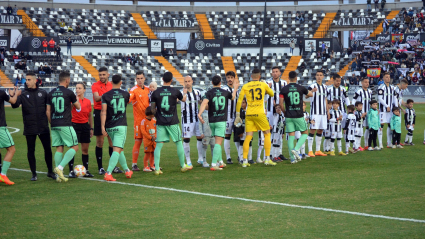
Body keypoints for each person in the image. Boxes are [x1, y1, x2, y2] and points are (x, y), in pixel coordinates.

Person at [11, 72, 55, 181]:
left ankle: (50, 171)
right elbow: (14, 105)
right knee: (31, 150)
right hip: (30, 127)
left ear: (35, 80)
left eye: (29, 79)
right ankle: (34, 174)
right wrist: (14, 95)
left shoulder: (43, 93)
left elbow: (49, 109)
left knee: (48, 150)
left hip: (43, 127)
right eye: (26, 79)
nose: (27, 81)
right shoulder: (23, 94)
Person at [150, 72, 190, 175]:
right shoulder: (175, 91)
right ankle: (183, 165)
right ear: (171, 80)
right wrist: (185, 92)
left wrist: (157, 116)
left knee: (158, 145)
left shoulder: (156, 92)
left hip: (161, 122)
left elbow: (152, 109)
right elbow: (184, 100)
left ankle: (157, 169)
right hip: (172, 121)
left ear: (162, 79)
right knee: (178, 143)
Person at [235, 68, 275, 167]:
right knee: (267, 134)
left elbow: (239, 100)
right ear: (259, 76)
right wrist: (265, 85)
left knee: (248, 137)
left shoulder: (246, 86)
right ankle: (267, 159)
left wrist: (237, 115)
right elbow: (272, 94)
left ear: (251, 76)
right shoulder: (263, 84)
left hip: (249, 114)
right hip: (260, 113)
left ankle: (244, 160)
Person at [46, 72, 81, 183]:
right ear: (67, 80)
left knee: (59, 148)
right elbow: (78, 107)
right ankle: (60, 168)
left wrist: (52, 122)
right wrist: (77, 100)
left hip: (54, 124)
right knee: (75, 147)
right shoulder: (69, 92)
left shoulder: (50, 93)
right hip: (65, 123)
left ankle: (58, 176)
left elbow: (47, 111)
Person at [198, 75, 238, 170]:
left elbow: (204, 103)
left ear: (212, 83)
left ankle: (220, 162)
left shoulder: (209, 92)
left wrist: (199, 114)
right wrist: (235, 88)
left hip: (212, 120)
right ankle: (213, 164)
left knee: (217, 142)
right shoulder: (225, 92)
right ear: (220, 83)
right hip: (221, 120)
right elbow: (232, 97)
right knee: (218, 143)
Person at [101, 75, 133, 181]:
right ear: (121, 82)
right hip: (120, 125)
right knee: (117, 149)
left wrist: (102, 126)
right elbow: (129, 101)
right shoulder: (125, 94)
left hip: (109, 126)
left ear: (110, 82)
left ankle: (127, 170)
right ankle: (108, 173)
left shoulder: (105, 95)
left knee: (119, 149)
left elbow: (103, 112)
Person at [278, 71, 313, 163]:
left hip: (288, 115)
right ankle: (297, 149)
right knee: (305, 133)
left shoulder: (284, 89)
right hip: (299, 115)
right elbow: (310, 94)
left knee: (291, 136)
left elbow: (281, 104)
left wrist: (285, 112)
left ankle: (292, 159)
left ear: (288, 78)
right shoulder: (300, 88)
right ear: (296, 78)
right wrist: (306, 93)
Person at [92, 67, 121, 175]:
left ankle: (113, 166)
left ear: (108, 75)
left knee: (112, 141)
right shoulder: (95, 85)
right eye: (100, 75)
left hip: (110, 113)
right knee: (100, 141)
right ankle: (100, 168)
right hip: (99, 113)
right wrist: (108, 95)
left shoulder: (111, 85)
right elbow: (96, 98)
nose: (102, 77)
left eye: (104, 74)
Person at [67, 82, 94, 178]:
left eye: (79, 88)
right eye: (76, 88)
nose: (77, 90)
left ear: (84, 90)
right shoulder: (72, 101)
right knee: (73, 149)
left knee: (85, 150)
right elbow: (68, 111)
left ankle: (86, 170)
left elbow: (90, 115)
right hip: (74, 125)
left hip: (85, 126)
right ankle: (71, 171)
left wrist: (91, 128)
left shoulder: (87, 101)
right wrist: (75, 102)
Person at [266, 66, 288, 161]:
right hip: (271, 111)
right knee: (271, 132)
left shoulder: (284, 83)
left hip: (281, 111)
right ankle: (270, 154)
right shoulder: (267, 83)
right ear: (271, 73)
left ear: (280, 73)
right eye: (273, 72)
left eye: (276, 71)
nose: (275, 73)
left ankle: (279, 153)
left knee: (280, 131)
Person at [180, 76, 203, 168]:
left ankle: (200, 158)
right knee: (186, 139)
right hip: (186, 120)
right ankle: (188, 160)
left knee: (200, 137)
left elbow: (202, 103)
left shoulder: (197, 92)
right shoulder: (181, 93)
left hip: (196, 118)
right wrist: (184, 94)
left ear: (192, 81)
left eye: (189, 81)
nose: (187, 83)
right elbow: (178, 100)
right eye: (186, 81)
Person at [129, 71, 150, 171]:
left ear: (144, 78)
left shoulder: (148, 89)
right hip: (138, 121)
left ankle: (151, 164)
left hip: (149, 121)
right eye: (138, 78)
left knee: (150, 142)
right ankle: (134, 164)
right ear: (136, 79)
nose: (140, 80)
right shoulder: (133, 90)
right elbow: (128, 99)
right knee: (138, 141)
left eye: (141, 78)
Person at [0, 86, 20, 185]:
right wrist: (16, 93)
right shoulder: (1, 92)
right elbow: (13, 101)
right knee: (11, 149)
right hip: (0, 127)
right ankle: (3, 174)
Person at [307, 71, 328, 157]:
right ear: (315, 76)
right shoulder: (312, 86)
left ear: (323, 77)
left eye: (321, 75)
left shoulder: (325, 87)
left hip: (323, 113)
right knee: (313, 130)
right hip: (315, 112)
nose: (319, 77)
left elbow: (325, 99)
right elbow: (306, 96)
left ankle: (318, 150)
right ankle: (310, 150)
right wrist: (312, 91)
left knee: (320, 130)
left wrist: (328, 111)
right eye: (317, 75)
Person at [221, 71, 239, 164]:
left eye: (232, 77)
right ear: (226, 78)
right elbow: (231, 98)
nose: (230, 79)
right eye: (228, 77)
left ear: (234, 78)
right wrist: (235, 89)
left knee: (238, 135)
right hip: (227, 115)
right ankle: (228, 157)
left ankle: (240, 156)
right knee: (227, 136)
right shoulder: (224, 89)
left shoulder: (237, 89)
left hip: (236, 115)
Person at [377, 73, 396, 148]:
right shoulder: (381, 87)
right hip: (383, 109)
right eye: (386, 77)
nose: (388, 78)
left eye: (389, 77)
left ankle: (389, 142)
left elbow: (394, 98)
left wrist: (396, 108)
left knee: (390, 125)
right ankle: (380, 143)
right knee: (381, 125)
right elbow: (380, 98)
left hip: (391, 110)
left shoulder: (392, 87)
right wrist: (386, 106)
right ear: (383, 78)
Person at [140, 107, 157, 172]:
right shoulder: (143, 121)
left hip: (154, 140)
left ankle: (152, 165)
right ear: (150, 113)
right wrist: (150, 137)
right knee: (147, 153)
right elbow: (143, 131)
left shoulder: (154, 120)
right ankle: (145, 167)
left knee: (153, 153)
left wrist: (155, 136)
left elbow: (156, 129)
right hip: (147, 140)